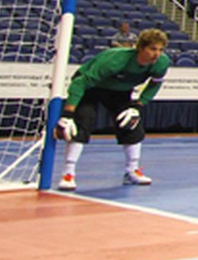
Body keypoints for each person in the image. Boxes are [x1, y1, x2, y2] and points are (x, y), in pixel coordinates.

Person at [55, 28, 172, 191]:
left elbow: (155, 83)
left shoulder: (161, 63)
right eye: (152, 49)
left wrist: (138, 105)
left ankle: (132, 171)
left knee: (132, 124)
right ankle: (68, 173)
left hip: (120, 91)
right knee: (82, 122)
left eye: (160, 49)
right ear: (140, 48)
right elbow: (80, 83)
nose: (157, 54)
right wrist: (68, 114)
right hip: (92, 87)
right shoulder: (115, 60)